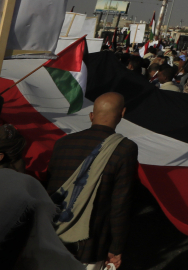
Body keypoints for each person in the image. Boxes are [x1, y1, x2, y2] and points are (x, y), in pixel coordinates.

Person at [45, 92, 139, 268]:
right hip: (90, 241)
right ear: (122, 113)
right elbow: (120, 202)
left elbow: (48, 185)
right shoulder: (125, 148)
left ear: (91, 115)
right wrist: (116, 246)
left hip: (51, 232)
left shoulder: (63, 143)